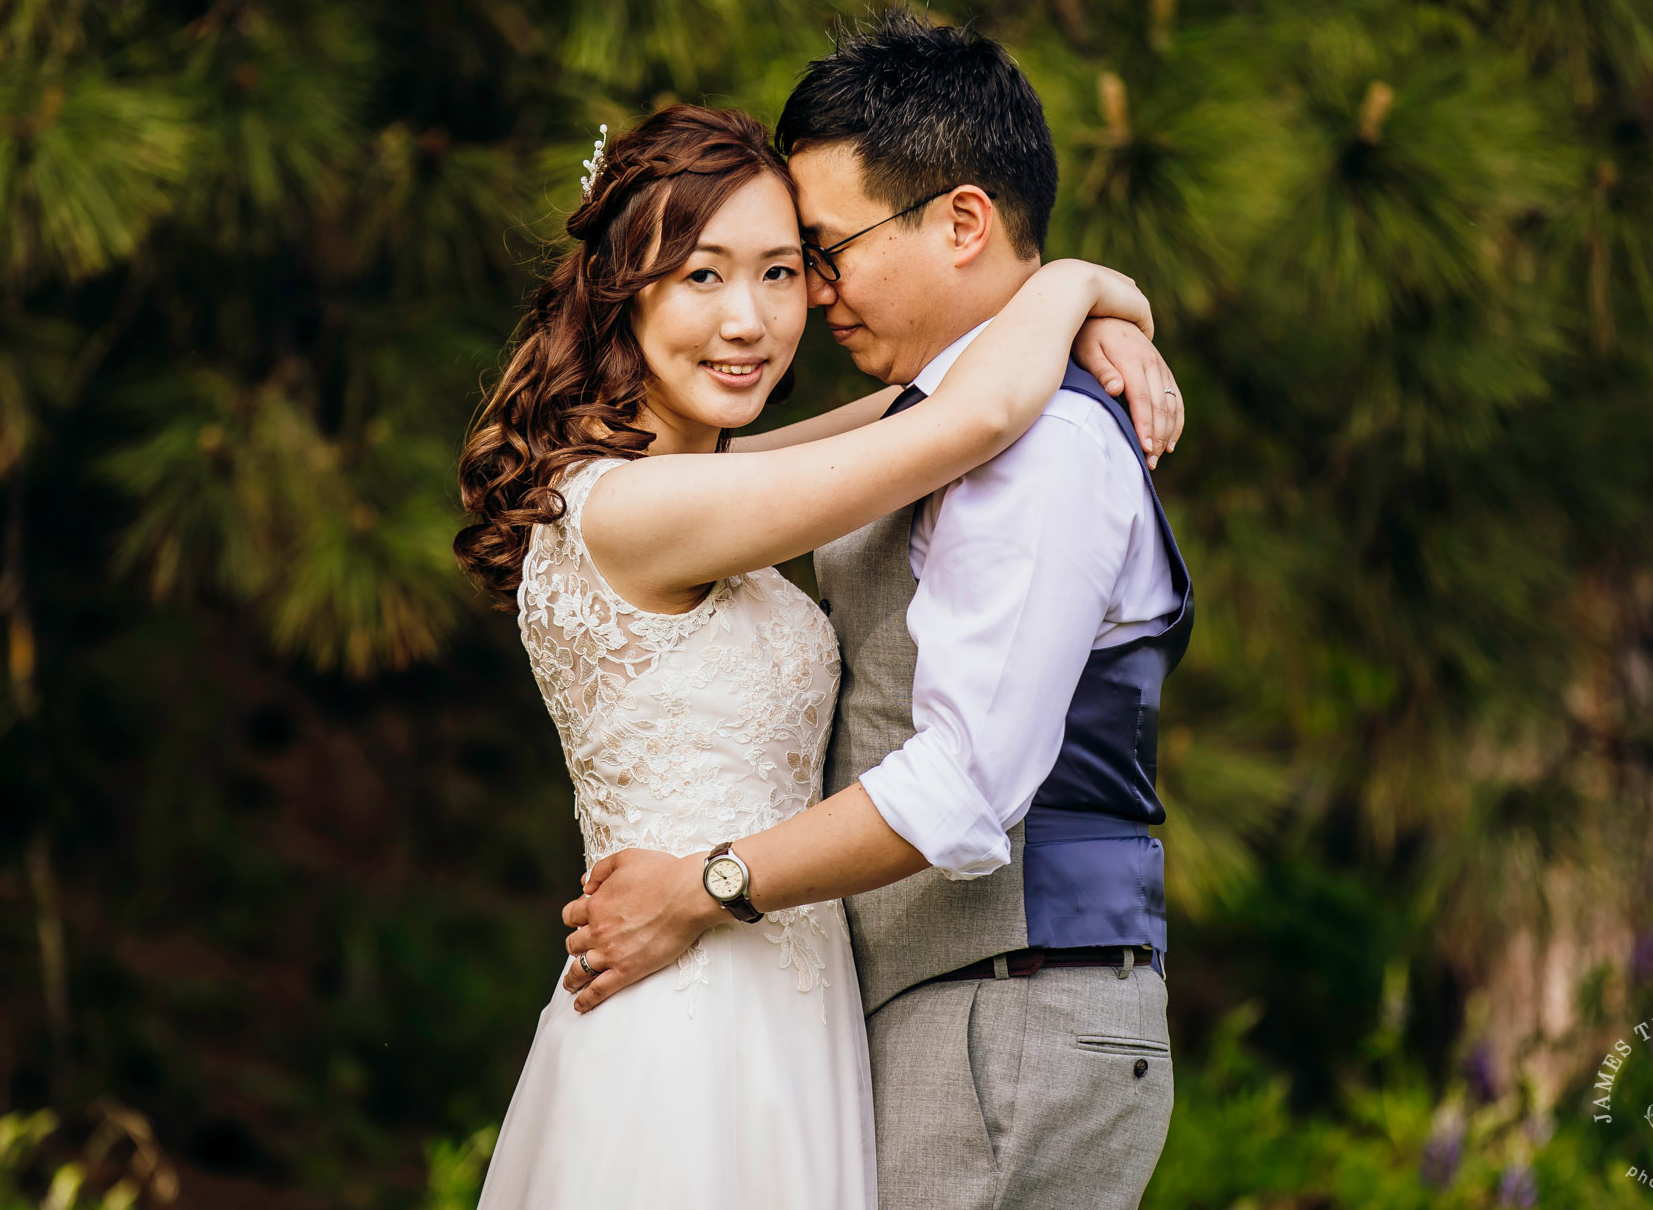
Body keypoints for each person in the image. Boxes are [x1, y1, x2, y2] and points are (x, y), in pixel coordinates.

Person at [454, 100, 1181, 1209]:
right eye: (700, 275)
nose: (747, 320)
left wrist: (1087, 318)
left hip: (792, 1003)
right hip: (693, 1005)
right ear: (621, 287)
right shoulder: (636, 508)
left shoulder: (706, 483)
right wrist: (1081, 283)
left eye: (785, 272)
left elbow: (920, 401)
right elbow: (967, 419)